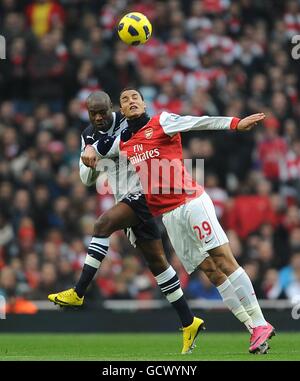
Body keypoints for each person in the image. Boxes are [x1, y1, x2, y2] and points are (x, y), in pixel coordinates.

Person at [83, 88, 275, 354]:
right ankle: (253, 329)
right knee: (210, 271)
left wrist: (235, 123)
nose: (131, 101)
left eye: (135, 97)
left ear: (143, 103)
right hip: (170, 216)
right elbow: (97, 145)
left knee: (223, 258)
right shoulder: (123, 141)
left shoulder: (161, 122)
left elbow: (200, 121)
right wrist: (91, 146)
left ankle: (261, 322)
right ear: (122, 112)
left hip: (192, 202)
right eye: (125, 100)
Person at [49, 91, 222, 355]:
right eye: (93, 113)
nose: (98, 117)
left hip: (145, 190)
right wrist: (90, 158)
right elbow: (86, 179)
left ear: (112, 109)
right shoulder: (88, 134)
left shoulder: (127, 122)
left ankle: (79, 291)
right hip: (125, 197)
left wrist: (97, 149)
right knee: (157, 262)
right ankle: (189, 321)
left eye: (102, 112)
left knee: (102, 224)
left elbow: (135, 140)